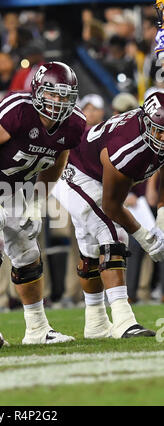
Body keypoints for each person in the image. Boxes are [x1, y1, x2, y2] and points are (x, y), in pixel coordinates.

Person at [0, 61, 86, 344]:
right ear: (39, 91)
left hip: (15, 189)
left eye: (65, 95)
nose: (59, 102)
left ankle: (37, 329)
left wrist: (36, 201)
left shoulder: (74, 123)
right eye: (53, 93)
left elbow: (57, 162)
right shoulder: (17, 109)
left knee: (28, 254)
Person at [51, 90, 164, 339]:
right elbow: (112, 206)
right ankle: (124, 320)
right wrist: (146, 237)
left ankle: (96, 323)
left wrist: (161, 218)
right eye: (159, 131)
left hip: (94, 171)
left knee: (92, 250)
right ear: (146, 123)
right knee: (112, 233)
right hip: (73, 169)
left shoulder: (153, 134)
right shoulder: (127, 147)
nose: (162, 138)